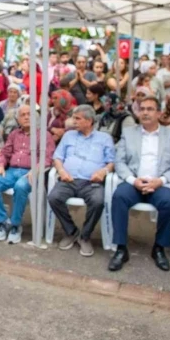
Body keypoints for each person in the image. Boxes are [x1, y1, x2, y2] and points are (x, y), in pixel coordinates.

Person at [109, 96, 170, 272]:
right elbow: (119, 162)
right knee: (119, 196)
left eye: (150, 109)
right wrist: (132, 180)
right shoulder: (128, 133)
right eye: (142, 109)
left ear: (159, 113)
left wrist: (162, 180)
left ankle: (159, 248)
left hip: (159, 183)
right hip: (134, 182)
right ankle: (121, 248)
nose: (145, 112)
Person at [47, 105, 115, 257]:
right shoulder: (68, 136)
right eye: (73, 118)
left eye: (77, 118)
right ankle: (71, 231)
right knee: (54, 197)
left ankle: (85, 235)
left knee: (98, 201)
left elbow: (111, 162)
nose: (73, 121)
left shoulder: (104, 138)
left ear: (89, 121)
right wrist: (61, 171)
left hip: (92, 182)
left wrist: (103, 171)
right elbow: (57, 157)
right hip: (68, 179)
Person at [0, 105, 55, 244]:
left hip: (30, 172)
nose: (26, 117)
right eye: (22, 115)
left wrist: (35, 169)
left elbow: (47, 157)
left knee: (20, 186)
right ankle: (2, 221)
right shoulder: (14, 134)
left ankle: (15, 225)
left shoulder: (44, 135)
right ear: (18, 119)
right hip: (11, 171)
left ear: (35, 117)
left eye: (29, 114)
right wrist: (0, 165)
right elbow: (5, 152)